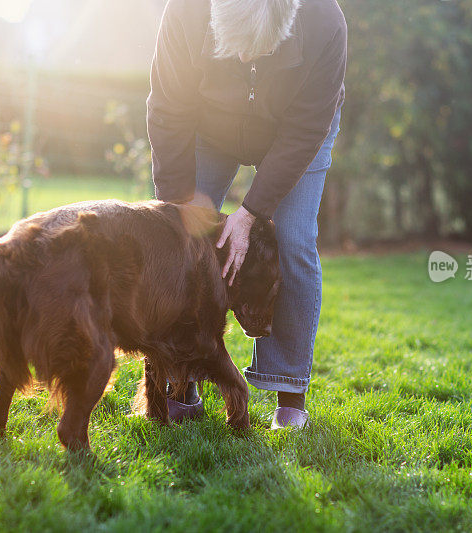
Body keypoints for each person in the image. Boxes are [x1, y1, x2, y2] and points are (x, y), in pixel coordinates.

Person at [147, 0, 346, 429]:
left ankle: (289, 394)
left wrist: (253, 211)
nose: (242, 59)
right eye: (231, 47)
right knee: (181, 239)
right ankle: (183, 380)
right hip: (207, 127)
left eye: (255, 50)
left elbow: (305, 130)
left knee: (293, 241)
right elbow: (167, 108)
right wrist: (180, 200)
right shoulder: (186, 11)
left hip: (295, 133)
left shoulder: (323, 21)